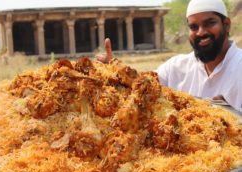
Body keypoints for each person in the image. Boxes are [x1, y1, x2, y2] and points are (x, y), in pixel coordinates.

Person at [97, 0, 242, 112]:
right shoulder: (175, 68)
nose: (200, 32)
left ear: (227, 25)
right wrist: (116, 70)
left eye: (209, 23)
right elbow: (142, 85)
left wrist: (231, 116)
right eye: (193, 27)